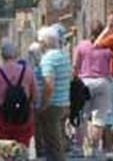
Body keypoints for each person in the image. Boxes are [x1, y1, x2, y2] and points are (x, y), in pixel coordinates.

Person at [73, 21, 113, 155]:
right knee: (99, 118)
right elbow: (112, 67)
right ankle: (95, 149)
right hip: (103, 82)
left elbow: (75, 66)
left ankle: (79, 148)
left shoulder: (82, 45)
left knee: (81, 116)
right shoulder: (108, 48)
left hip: (84, 82)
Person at [0, 39, 36, 147]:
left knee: (4, 149)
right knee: (22, 148)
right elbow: (35, 96)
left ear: (2, 55)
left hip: (2, 117)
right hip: (24, 116)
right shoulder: (27, 71)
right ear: (16, 54)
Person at [37, 25, 72, 161]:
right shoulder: (63, 56)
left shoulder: (48, 59)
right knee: (59, 141)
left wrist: (44, 104)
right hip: (64, 102)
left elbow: (49, 85)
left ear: (44, 43)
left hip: (52, 105)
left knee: (53, 145)